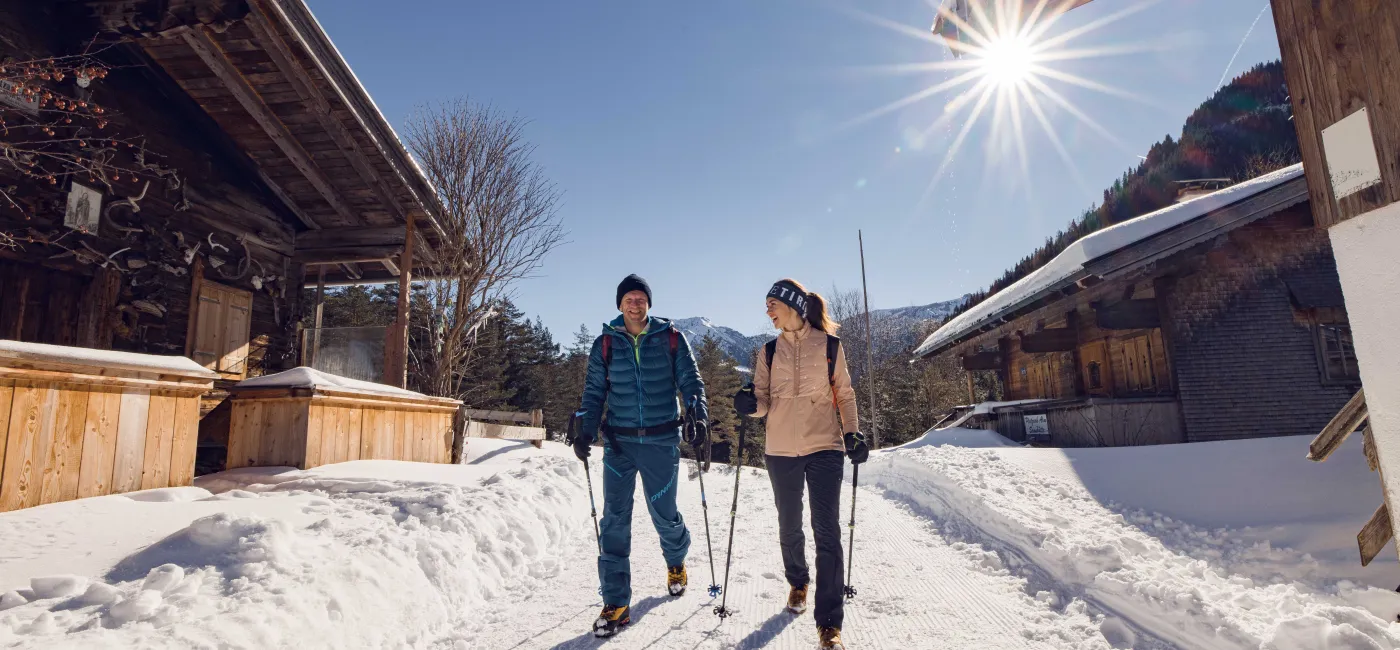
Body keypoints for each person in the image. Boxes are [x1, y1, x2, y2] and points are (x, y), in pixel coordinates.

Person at [733, 278, 869, 650]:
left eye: (771, 304)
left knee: (827, 530)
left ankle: (829, 624)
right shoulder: (769, 351)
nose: (767, 311)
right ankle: (798, 581)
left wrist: (853, 433)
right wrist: (750, 404)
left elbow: (844, 392)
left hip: (825, 446)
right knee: (789, 524)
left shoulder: (829, 345)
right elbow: (762, 400)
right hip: (780, 450)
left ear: (791, 305)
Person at [573, 274, 709, 638]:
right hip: (619, 443)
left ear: (649, 303)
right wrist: (584, 427)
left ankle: (676, 559)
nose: (635, 304)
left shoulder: (672, 339)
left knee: (663, 514)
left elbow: (691, 383)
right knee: (614, 519)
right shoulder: (605, 343)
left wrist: (697, 411)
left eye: (640, 298)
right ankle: (616, 601)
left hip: (661, 440)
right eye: (628, 299)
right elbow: (593, 393)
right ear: (619, 305)